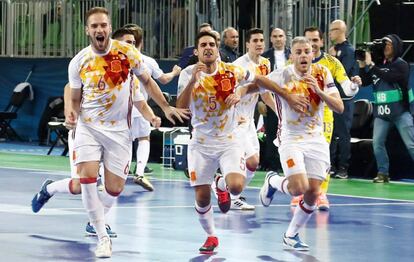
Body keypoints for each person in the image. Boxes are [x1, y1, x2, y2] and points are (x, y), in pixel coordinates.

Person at [65, 7, 188, 258]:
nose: (99, 29)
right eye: (94, 26)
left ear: (109, 28)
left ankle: (97, 217)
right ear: (87, 30)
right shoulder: (79, 61)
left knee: (114, 190)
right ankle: (102, 237)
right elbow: (75, 96)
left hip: (120, 130)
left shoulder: (127, 53)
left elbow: (148, 82)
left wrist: (164, 107)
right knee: (87, 179)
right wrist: (72, 112)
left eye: (103, 25)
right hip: (89, 127)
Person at [176, 31, 307, 254]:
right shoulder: (189, 73)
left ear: (217, 49)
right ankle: (211, 236)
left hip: (229, 139)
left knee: (236, 185)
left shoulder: (232, 71)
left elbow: (260, 80)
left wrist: (287, 96)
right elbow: (181, 107)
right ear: (196, 51)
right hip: (200, 142)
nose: (208, 48)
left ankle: (222, 186)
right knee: (201, 196)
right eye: (203, 45)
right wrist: (191, 82)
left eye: (212, 44)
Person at [259, 36, 344, 250]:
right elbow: (260, 82)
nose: (303, 55)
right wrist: (284, 97)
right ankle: (272, 182)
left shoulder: (322, 73)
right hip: (291, 137)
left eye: (307, 51)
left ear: (313, 54)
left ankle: (291, 235)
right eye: (298, 52)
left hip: (316, 138)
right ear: (292, 56)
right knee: (298, 188)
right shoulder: (283, 74)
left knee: (313, 193)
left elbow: (339, 107)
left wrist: (319, 91)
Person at [288, 27, 361, 211]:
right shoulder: (292, 64)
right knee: (299, 156)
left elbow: (347, 88)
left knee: (322, 155)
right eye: (307, 41)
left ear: (321, 42)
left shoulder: (332, 63)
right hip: (297, 118)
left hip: (324, 116)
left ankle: (321, 194)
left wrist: (354, 85)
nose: (311, 45)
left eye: (314, 41)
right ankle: (299, 194)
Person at [31, 83, 117, 238]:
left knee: (114, 183)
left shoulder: (128, 67)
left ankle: (95, 223)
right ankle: (49, 189)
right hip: (84, 134)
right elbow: (69, 87)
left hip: (111, 134)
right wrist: (69, 113)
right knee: (78, 187)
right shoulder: (90, 63)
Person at [120, 24, 182, 191]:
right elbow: (163, 80)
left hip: (132, 106)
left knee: (122, 142)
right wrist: (175, 73)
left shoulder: (122, 58)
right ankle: (139, 172)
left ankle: (113, 174)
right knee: (143, 139)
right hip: (139, 107)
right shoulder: (147, 61)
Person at [228, 28, 276, 210]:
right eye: (254, 40)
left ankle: (228, 190)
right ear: (247, 44)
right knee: (249, 161)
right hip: (236, 119)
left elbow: (265, 93)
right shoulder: (239, 65)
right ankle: (233, 196)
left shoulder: (266, 63)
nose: (259, 43)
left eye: (261, 40)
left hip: (249, 120)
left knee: (254, 164)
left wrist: (280, 113)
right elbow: (231, 91)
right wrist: (234, 113)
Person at [358, 34, 414, 183]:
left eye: (389, 44)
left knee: (411, 144)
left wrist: (372, 66)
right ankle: (383, 172)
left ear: (396, 47)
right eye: (384, 45)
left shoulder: (401, 64)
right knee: (377, 143)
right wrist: (363, 66)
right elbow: (365, 82)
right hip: (382, 113)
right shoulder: (378, 65)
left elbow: (390, 77)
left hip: (400, 112)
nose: (386, 47)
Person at [328, 19, 359, 179]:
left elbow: (343, 72)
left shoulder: (349, 50)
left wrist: (334, 59)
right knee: (330, 133)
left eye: (332, 30)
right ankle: (330, 166)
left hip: (344, 99)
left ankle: (343, 168)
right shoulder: (333, 49)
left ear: (340, 31)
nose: (330, 33)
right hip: (331, 98)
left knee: (343, 133)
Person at [262, 27, 290, 173]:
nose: (278, 39)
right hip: (270, 99)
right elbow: (261, 82)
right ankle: (273, 166)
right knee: (271, 132)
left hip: (289, 101)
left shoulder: (293, 55)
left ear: (285, 38)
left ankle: (287, 164)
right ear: (271, 39)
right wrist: (261, 101)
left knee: (288, 132)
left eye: (281, 36)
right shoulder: (265, 57)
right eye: (275, 36)